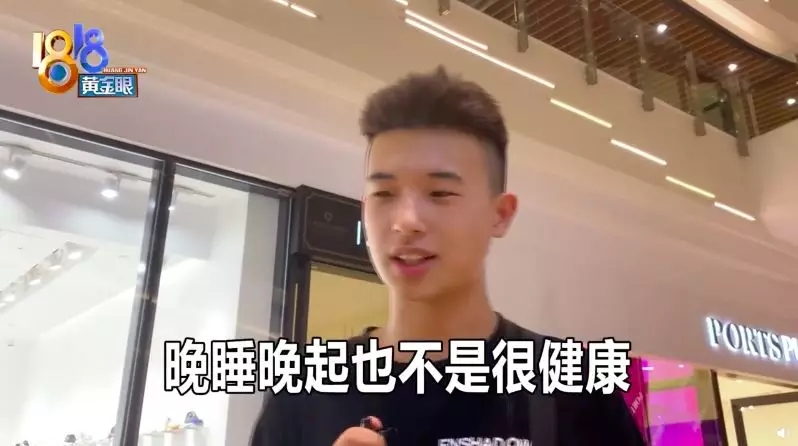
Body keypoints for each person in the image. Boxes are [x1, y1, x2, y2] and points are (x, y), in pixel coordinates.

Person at [250, 66, 646, 446]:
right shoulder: (303, 393)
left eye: (440, 193)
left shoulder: (574, 391)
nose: (406, 221)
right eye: (384, 194)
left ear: (500, 214)